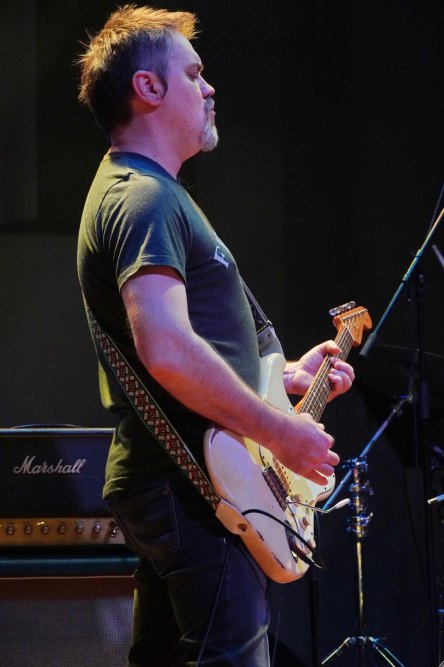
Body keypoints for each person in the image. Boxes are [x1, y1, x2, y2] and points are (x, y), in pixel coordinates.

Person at [76, 5, 355, 666]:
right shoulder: (143, 197)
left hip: (181, 480)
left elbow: (191, 345)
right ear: (148, 87)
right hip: (193, 486)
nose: (209, 87)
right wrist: (280, 431)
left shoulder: (145, 192)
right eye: (193, 73)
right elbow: (168, 349)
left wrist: (281, 378)